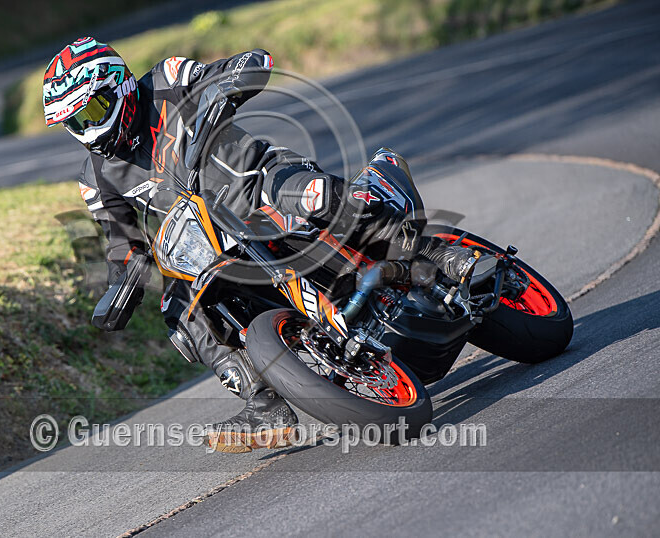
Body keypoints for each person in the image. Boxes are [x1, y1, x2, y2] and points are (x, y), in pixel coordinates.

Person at [43, 37, 477, 452]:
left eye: (92, 111)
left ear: (118, 85)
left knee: (312, 195)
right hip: (206, 238)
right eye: (73, 123)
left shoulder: (166, 80)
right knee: (178, 310)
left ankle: (431, 255)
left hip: (256, 182)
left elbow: (243, 65)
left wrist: (232, 83)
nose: (87, 129)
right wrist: (120, 284)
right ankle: (264, 406)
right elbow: (120, 238)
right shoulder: (94, 176)